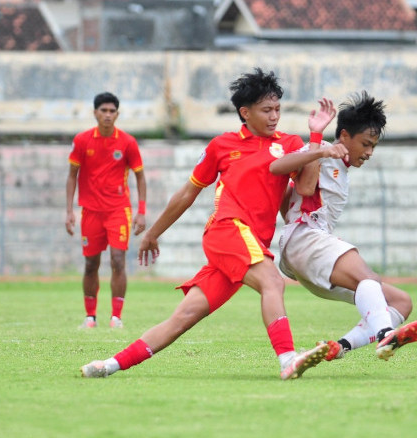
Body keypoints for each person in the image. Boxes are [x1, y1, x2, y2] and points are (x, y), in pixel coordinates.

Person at [81, 68, 333, 380]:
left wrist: (317, 138)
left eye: (278, 109)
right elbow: (188, 192)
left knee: (184, 316)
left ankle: (109, 365)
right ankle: (288, 361)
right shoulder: (222, 145)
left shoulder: (291, 143)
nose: (274, 117)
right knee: (273, 281)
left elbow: (306, 188)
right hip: (228, 230)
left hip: (247, 244)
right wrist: (153, 232)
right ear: (245, 112)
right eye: (266, 110)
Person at [270, 91, 417, 363]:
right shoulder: (323, 153)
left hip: (309, 250)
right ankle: (385, 334)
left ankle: (340, 347)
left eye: (373, 147)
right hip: (305, 239)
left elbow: (291, 198)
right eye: (365, 144)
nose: (368, 153)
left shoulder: (340, 168)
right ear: (344, 136)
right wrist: (316, 139)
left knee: (401, 302)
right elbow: (293, 178)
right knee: (367, 279)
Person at [66, 92, 147, 329]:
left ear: (117, 114)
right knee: (91, 264)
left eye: (112, 111)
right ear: (95, 113)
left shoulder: (127, 142)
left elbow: (140, 177)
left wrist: (141, 211)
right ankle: (90, 317)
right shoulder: (81, 141)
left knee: (118, 259)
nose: (108, 115)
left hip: (118, 211)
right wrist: (69, 210)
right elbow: (72, 176)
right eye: (104, 110)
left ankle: (116, 317)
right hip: (90, 212)